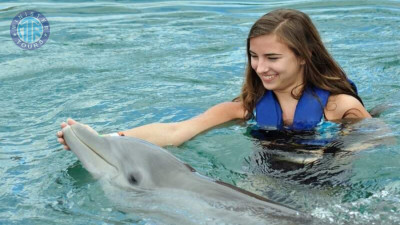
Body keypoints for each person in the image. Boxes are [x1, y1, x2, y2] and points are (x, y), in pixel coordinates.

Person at [57, 9, 371, 151]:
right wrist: (102, 141)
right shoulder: (245, 108)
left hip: (326, 188)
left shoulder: (340, 106)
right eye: (254, 56)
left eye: (272, 58)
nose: (260, 68)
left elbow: (379, 144)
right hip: (263, 185)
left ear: (303, 55)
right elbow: (176, 130)